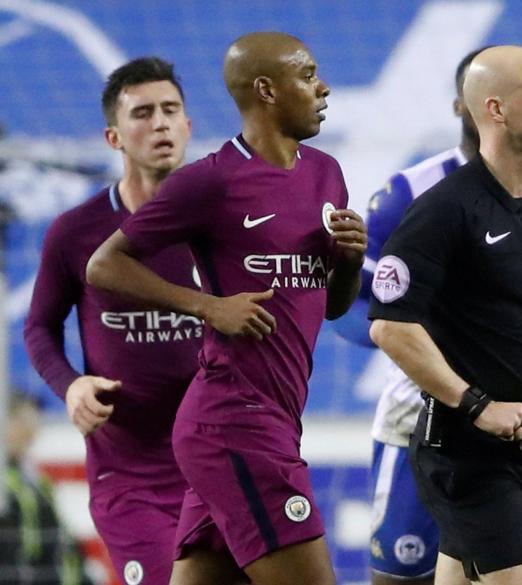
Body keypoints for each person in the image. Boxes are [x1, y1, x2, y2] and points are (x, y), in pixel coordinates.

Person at [85, 32, 367, 585]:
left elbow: (333, 307)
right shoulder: (211, 181)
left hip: (272, 422)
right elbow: (104, 266)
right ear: (266, 89)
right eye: (308, 76)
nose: (324, 87)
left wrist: (350, 261)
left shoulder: (326, 173)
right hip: (235, 423)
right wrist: (208, 307)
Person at [367, 45, 522, 585]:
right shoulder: (443, 208)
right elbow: (388, 324)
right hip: (465, 454)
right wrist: (476, 405)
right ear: (495, 110)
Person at [23, 56, 199, 585]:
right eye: (142, 113)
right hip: (131, 477)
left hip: (219, 461)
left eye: (171, 110)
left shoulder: (226, 225)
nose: (160, 123)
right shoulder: (76, 232)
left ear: (189, 126)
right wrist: (71, 385)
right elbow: (40, 327)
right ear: (114, 137)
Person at [0, 393, 91, 585]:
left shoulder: (35, 480)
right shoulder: (12, 486)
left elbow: (62, 542)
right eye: (23, 420)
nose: (32, 431)